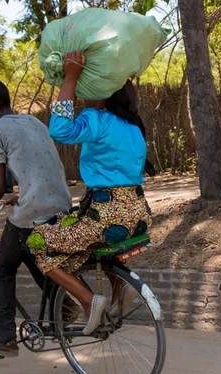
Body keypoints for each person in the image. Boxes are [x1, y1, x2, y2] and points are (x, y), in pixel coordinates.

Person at [27, 50, 152, 337]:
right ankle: (120, 289)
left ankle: (87, 300)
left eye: (86, 90)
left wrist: (70, 77)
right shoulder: (133, 125)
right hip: (138, 215)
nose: (82, 97)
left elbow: (58, 130)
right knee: (84, 238)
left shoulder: (98, 119)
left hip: (105, 216)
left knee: (37, 241)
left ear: (100, 92)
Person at [0, 79, 72, 357]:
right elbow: (41, 164)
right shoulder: (33, 121)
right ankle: (65, 311)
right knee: (34, 256)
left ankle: (5, 338)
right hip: (61, 203)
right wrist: (23, 192)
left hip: (34, 210)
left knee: (4, 266)